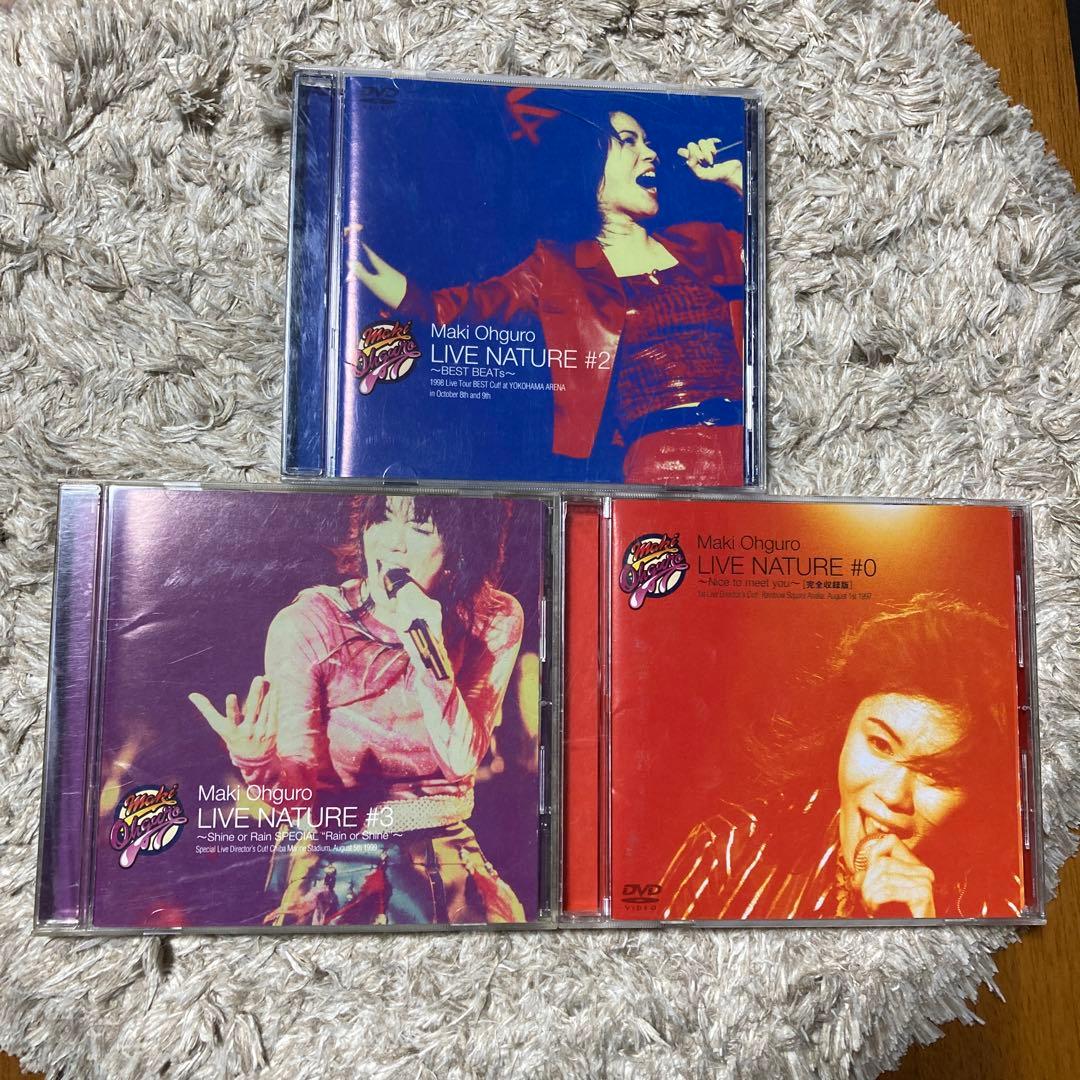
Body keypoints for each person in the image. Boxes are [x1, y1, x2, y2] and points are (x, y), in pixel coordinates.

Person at [346, 107, 747, 485]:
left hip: (744, 452)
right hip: (659, 471)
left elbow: (773, 272)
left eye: (647, 141)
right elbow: (453, 309)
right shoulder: (556, 267)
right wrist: (367, 267)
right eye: (629, 141)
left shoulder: (705, 241)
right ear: (589, 163)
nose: (651, 153)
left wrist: (736, 179)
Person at [189, 494, 527, 925]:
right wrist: (256, 761)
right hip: (336, 859)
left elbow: (460, 759)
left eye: (419, 528)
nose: (392, 544)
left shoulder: (491, 617)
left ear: (460, 549)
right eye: (381, 520)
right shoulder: (312, 622)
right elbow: (299, 800)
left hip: (444, 856)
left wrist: (427, 646)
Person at [657, 594, 1025, 921]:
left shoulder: (1005, 902)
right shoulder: (727, 852)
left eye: (937, 774)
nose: (893, 795)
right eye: (880, 744)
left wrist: (917, 937)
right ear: (843, 731)